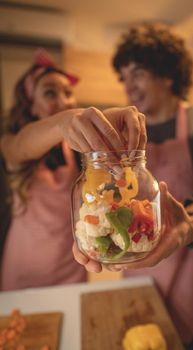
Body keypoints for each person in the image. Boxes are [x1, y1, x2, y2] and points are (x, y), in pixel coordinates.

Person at [73, 24, 193, 345]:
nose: (129, 86)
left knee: (180, 340)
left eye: (139, 74)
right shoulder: (121, 138)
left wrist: (190, 224)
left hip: (187, 254)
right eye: (124, 77)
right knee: (138, 329)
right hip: (136, 253)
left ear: (168, 75)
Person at [0, 49, 146, 291]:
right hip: (24, 269)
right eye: (50, 92)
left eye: (68, 93)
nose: (63, 101)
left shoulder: (78, 152)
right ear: (31, 106)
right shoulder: (13, 143)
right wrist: (64, 120)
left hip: (71, 267)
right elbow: (21, 145)